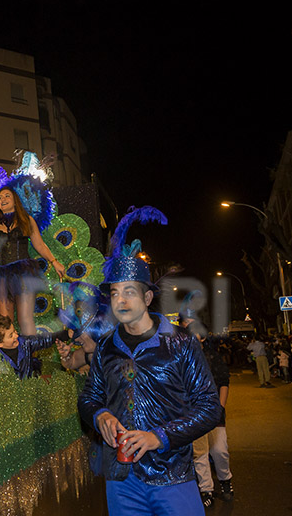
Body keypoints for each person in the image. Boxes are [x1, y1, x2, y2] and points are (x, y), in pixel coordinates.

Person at [77, 219, 221, 516]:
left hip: (171, 477)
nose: (120, 299)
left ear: (147, 297)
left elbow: (209, 408)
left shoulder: (180, 343)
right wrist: (100, 414)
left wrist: (159, 437)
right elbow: (88, 398)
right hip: (121, 481)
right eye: (115, 293)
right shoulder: (106, 347)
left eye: (129, 291)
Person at [0, 187, 66, 335]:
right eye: (0, 198)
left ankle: (29, 355)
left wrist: (54, 261)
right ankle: (8, 357)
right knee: (4, 321)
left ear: (15, 201)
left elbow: (39, 244)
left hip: (23, 274)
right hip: (2, 277)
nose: (3, 199)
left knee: (25, 319)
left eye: (7, 196)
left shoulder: (26, 220)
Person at [190, 330, 234, 509]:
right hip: (193, 415)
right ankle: (206, 489)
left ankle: (225, 479)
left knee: (219, 450)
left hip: (214, 413)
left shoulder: (212, 357)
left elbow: (224, 382)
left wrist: (220, 408)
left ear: (202, 337)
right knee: (199, 453)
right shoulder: (182, 357)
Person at [0, 313, 71, 379]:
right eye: (11, 335)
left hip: (30, 388)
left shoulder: (23, 342)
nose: (16, 336)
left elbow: (42, 340)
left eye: (15, 331)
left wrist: (65, 334)